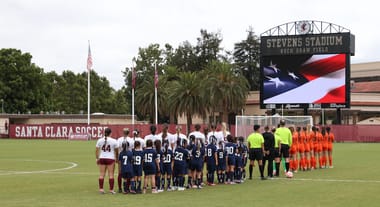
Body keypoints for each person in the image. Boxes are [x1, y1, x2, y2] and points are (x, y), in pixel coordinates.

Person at [95, 128, 119, 194]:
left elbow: (97, 150)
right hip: (110, 158)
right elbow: (117, 151)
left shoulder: (100, 140)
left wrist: (97, 159)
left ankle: (101, 189)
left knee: (101, 174)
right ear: (110, 133)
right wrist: (117, 158)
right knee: (111, 174)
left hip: (102, 158)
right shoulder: (114, 141)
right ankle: (111, 190)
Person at [117, 128, 131, 193]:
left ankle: (120, 188)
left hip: (121, 156)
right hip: (129, 157)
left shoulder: (119, 139)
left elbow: (117, 148)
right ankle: (127, 187)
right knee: (129, 174)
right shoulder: (130, 140)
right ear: (128, 133)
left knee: (120, 173)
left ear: (123, 132)